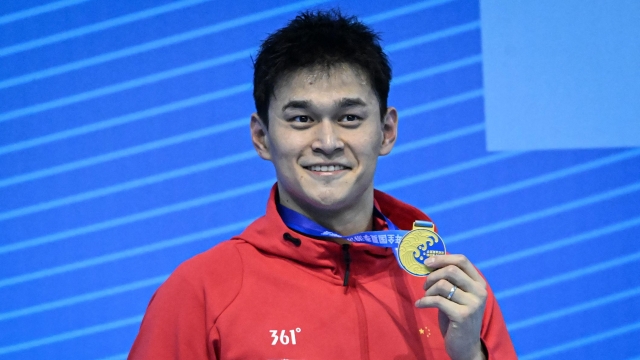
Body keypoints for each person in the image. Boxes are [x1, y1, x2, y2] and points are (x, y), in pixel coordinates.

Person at [129, 10, 517, 360]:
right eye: (301, 119)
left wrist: (469, 357)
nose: (328, 142)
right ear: (262, 137)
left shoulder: (453, 292)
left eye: (349, 117)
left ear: (386, 131)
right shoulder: (201, 293)